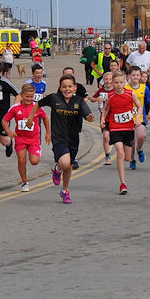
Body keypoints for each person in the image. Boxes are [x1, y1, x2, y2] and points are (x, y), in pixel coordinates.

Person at [31, 75, 95, 204]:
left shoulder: (79, 101)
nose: (67, 89)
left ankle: (65, 190)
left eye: (70, 86)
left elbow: (86, 113)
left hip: (73, 139)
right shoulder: (54, 98)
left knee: (69, 166)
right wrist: (30, 118)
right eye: (64, 86)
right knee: (65, 163)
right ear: (60, 88)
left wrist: (89, 117)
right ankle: (56, 168)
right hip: (58, 138)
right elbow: (38, 104)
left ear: (75, 87)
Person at [2, 83, 51, 193]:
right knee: (21, 159)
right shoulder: (15, 108)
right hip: (20, 138)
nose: (29, 99)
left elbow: (45, 118)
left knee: (34, 161)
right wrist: (9, 132)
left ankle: (36, 151)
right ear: (22, 95)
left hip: (34, 139)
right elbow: (5, 120)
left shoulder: (36, 107)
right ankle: (24, 182)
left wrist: (48, 133)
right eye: (27, 96)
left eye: (31, 97)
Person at [100, 71, 143, 194]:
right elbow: (106, 108)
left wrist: (138, 118)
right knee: (120, 152)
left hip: (128, 128)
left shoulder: (131, 94)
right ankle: (122, 183)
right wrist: (103, 119)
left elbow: (139, 106)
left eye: (121, 82)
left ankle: (129, 158)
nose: (119, 85)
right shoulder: (111, 96)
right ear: (112, 83)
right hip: (115, 127)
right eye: (116, 83)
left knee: (127, 158)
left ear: (125, 82)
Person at [125, 66, 148, 168]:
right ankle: (132, 160)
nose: (135, 77)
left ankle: (140, 149)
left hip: (140, 117)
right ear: (129, 76)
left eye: (137, 75)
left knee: (141, 136)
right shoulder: (125, 88)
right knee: (131, 141)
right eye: (133, 75)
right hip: (128, 118)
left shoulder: (144, 87)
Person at [91, 72, 116, 164]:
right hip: (104, 116)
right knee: (105, 136)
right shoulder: (101, 91)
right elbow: (92, 98)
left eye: (110, 79)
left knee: (114, 137)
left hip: (115, 117)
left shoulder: (116, 91)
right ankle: (107, 155)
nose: (108, 81)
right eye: (106, 79)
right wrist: (97, 99)